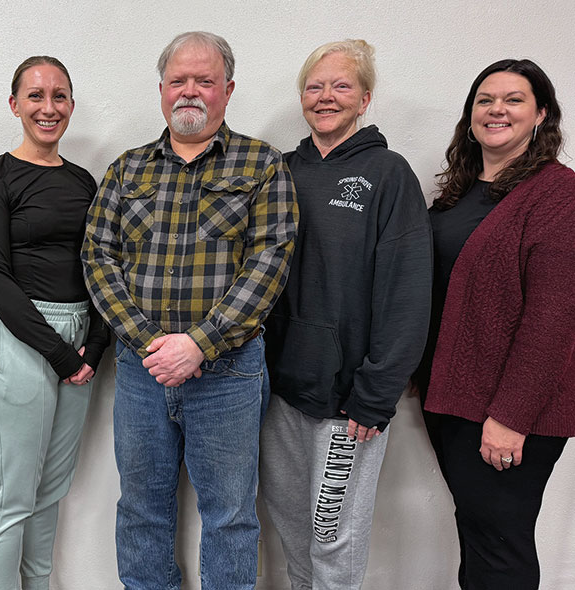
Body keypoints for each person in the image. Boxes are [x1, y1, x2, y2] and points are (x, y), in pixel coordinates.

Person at [82, 31, 298, 590]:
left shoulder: (263, 165)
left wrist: (199, 343)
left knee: (229, 517)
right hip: (141, 372)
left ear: (228, 89)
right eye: (178, 81)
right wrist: (152, 343)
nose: (190, 92)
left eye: (204, 81)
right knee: (141, 510)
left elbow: (269, 262)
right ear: (161, 91)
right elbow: (99, 257)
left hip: (228, 374)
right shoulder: (126, 170)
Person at [258, 40, 431, 590]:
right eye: (315, 86)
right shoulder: (280, 171)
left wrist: (376, 393)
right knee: (292, 531)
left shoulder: (387, 173)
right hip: (280, 392)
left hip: (349, 403)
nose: (326, 96)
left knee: (332, 535)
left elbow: (407, 291)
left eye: (341, 86)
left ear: (364, 98)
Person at [417, 59, 575, 590]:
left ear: (541, 114)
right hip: (454, 400)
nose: (496, 109)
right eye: (485, 100)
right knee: (481, 534)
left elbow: (554, 318)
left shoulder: (558, 194)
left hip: (508, 410)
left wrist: (510, 416)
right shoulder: (459, 192)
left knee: (500, 545)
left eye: (513, 99)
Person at [0, 55, 109, 590]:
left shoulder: (83, 180)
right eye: (35, 96)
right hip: (19, 339)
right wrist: (61, 354)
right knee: (13, 498)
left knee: (49, 493)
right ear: (14, 105)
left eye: (59, 96)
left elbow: (101, 267)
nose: (48, 108)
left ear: (71, 105)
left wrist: (93, 347)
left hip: (78, 343)